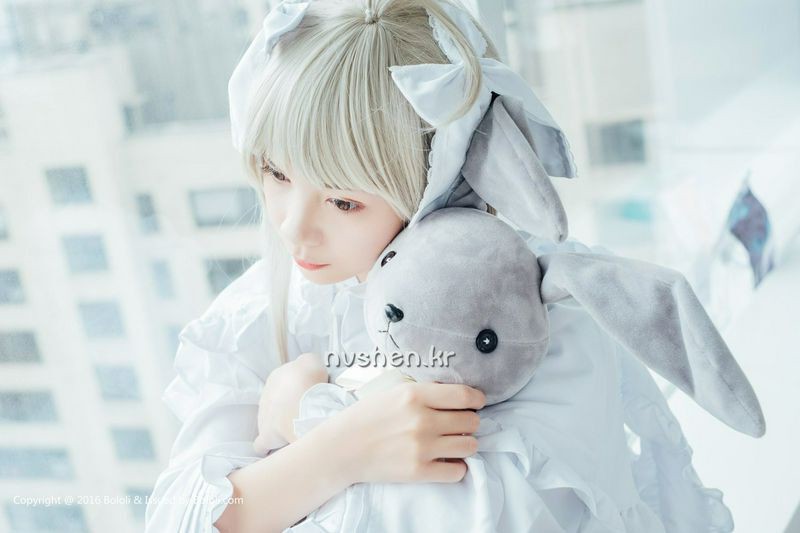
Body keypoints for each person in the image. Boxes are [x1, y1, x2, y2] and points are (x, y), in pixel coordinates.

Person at [145, 1, 741, 532]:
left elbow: (500, 514)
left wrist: (296, 438)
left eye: (344, 201)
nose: (292, 227)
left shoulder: (519, 316)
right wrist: (334, 449)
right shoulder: (265, 309)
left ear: (440, 186)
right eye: (276, 173)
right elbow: (180, 518)